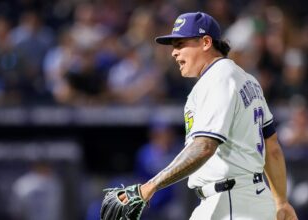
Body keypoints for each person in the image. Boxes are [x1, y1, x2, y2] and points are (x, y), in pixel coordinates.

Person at [120, 12, 298, 219]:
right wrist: (281, 200)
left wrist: (150, 186)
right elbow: (272, 147)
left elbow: (204, 145)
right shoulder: (247, 80)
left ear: (206, 42)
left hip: (230, 203)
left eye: (180, 45)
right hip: (250, 198)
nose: (174, 53)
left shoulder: (217, 79)